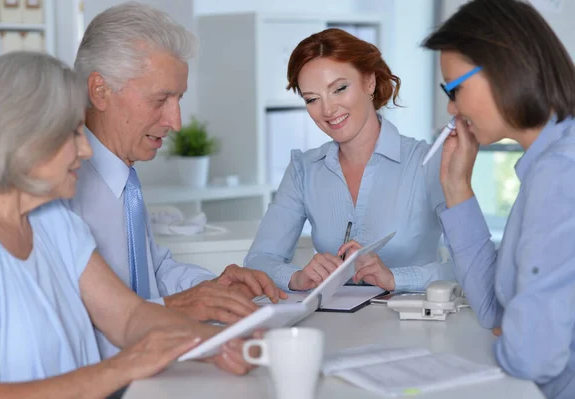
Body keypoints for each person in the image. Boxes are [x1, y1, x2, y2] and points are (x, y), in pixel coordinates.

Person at [0, 51, 253, 399]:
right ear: (26, 139)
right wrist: (122, 367)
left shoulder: (55, 222)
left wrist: (222, 344)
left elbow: (128, 317)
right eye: (73, 134)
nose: (87, 150)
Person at [68, 2, 285, 359]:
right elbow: (74, 329)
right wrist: (176, 307)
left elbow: (152, 268)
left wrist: (211, 288)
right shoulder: (61, 186)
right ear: (100, 91)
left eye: (178, 98)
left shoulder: (126, 180)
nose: (176, 120)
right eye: (161, 99)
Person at [422, 0, 575, 398]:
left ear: (504, 67)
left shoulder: (561, 173)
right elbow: (494, 307)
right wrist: (457, 187)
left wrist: (516, 335)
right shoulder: (547, 165)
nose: (452, 108)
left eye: (455, 89)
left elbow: (534, 357)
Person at [245, 28, 455, 292]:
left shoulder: (429, 161)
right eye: (312, 99)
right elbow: (258, 261)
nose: (328, 110)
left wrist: (395, 278)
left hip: (418, 327)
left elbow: (469, 264)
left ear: (369, 82)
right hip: (333, 328)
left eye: (339, 89)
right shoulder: (304, 170)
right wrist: (298, 277)